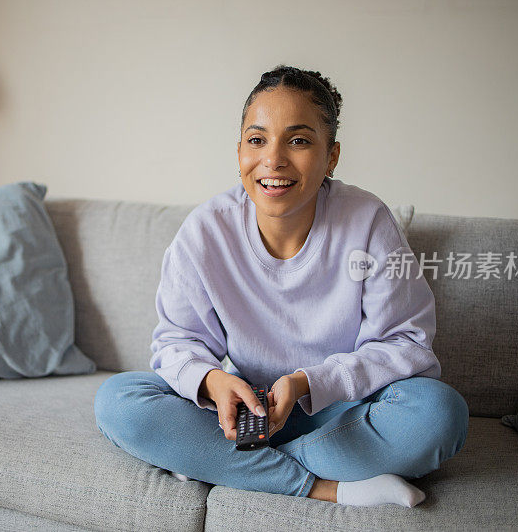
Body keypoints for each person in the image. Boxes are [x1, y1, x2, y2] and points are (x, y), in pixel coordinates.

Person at [94, 65, 469, 507]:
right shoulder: (204, 232)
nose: (273, 160)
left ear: (331, 156)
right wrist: (213, 381)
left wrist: (306, 384)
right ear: (239, 153)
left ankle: (222, 464)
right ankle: (325, 488)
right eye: (257, 140)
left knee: (439, 415)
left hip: (345, 413)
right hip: (246, 408)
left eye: (299, 140)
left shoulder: (368, 222)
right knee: (118, 399)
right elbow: (178, 342)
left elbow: (407, 344)